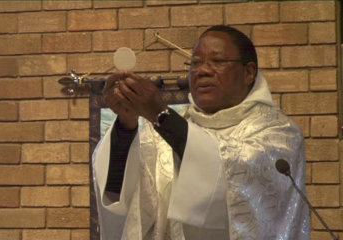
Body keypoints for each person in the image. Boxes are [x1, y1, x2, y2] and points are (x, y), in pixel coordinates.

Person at [93, 25, 310, 240]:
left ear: (248, 72)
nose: (202, 70)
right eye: (195, 62)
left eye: (217, 61)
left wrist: (161, 114)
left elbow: (231, 171)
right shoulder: (160, 131)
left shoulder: (279, 133)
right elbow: (121, 198)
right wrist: (126, 124)